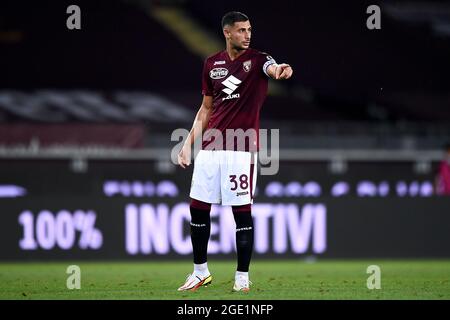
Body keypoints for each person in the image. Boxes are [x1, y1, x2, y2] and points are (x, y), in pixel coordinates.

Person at [176, 11, 293, 292]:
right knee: (198, 209)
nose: (247, 34)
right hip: (210, 148)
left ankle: (242, 277)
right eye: (241, 30)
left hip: (240, 150)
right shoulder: (212, 64)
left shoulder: (258, 59)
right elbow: (206, 109)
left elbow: (273, 69)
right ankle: (200, 272)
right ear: (227, 33)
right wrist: (187, 145)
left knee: (241, 213)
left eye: (249, 29)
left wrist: (281, 71)